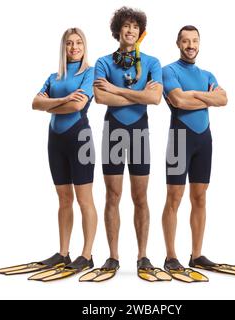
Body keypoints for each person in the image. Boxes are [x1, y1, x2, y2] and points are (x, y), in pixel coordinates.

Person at [0, 28, 97, 282]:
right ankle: (63, 253)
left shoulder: (90, 72)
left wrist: (51, 102)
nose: (74, 47)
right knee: (63, 200)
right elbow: (34, 103)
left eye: (78, 43)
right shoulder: (55, 76)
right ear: (63, 48)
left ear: (85, 46)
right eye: (69, 43)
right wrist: (60, 100)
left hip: (80, 139)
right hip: (56, 140)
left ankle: (86, 255)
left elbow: (77, 105)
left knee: (84, 200)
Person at [161, 25, 235, 281]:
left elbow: (224, 99)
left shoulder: (207, 73)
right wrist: (205, 97)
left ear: (199, 43)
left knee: (200, 198)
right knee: (174, 197)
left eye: (194, 41)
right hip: (179, 139)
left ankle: (196, 255)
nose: (191, 45)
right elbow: (178, 102)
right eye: (185, 41)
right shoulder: (168, 71)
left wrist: (193, 94)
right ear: (178, 44)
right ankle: (171, 256)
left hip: (204, 140)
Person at [80, 7, 170, 283]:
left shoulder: (152, 62)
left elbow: (155, 99)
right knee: (113, 196)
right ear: (118, 30)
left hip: (139, 132)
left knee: (140, 197)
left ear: (139, 32)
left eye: (134, 27)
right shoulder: (104, 62)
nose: (130, 31)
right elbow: (101, 98)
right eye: (126, 26)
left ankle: (143, 255)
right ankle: (114, 256)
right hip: (114, 132)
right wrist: (138, 95)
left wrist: (117, 89)